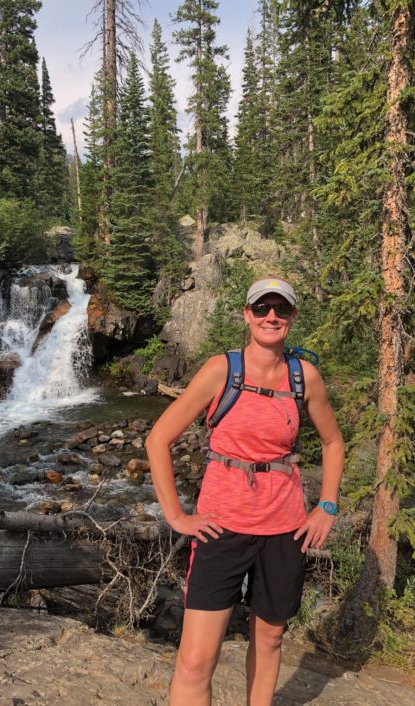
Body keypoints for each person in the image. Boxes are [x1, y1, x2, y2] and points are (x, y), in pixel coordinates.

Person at [146, 277, 344, 706]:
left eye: (281, 309)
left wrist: (327, 505)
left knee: (270, 638)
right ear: (247, 314)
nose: (271, 316)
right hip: (221, 527)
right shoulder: (222, 370)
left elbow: (333, 442)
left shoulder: (303, 376)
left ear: (291, 318)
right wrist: (175, 516)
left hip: (285, 528)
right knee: (197, 659)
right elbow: (158, 438)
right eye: (261, 307)